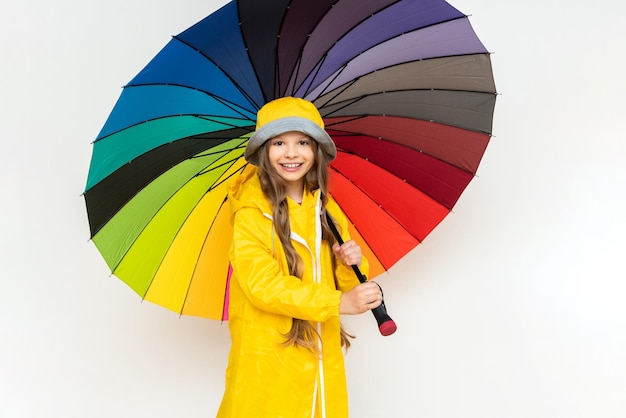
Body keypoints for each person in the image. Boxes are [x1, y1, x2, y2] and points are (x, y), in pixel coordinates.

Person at [217, 97, 383, 418]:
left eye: (302, 142)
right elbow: (263, 285)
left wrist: (350, 263)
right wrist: (338, 303)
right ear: (263, 150)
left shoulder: (325, 207)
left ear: (316, 151)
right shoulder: (251, 214)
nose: (291, 153)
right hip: (269, 356)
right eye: (279, 142)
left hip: (321, 355)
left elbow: (340, 280)